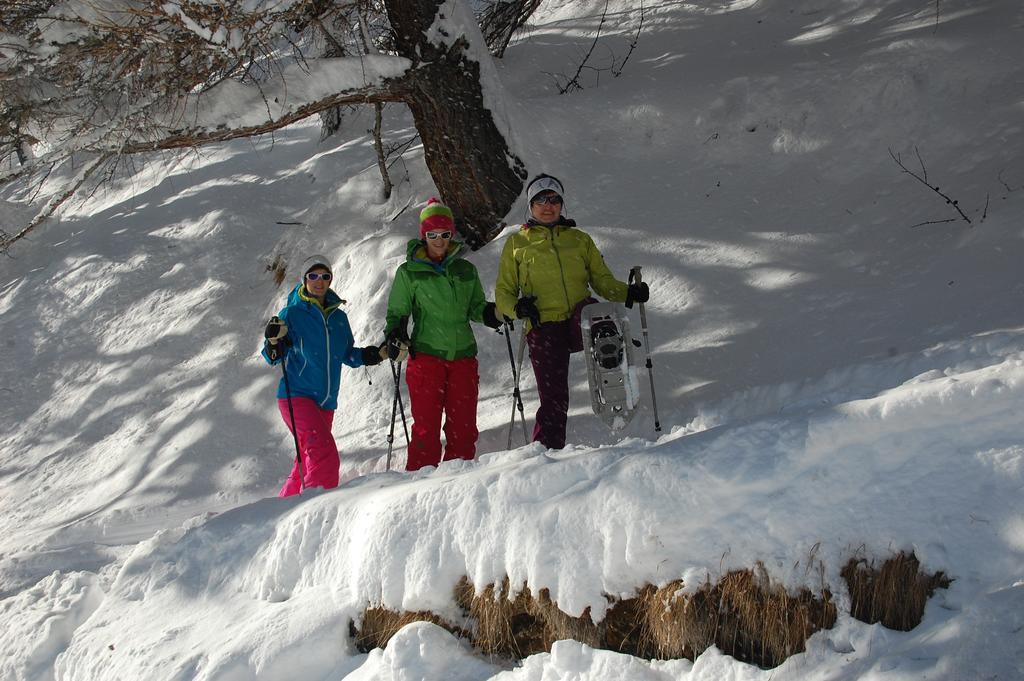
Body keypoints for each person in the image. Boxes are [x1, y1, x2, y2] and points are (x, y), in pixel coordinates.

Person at [494, 174, 650, 449]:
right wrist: (518, 308)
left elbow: (602, 280)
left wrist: (629, 293)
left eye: (554, 199)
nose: (548, 205)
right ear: (530, 205)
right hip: (543, 325)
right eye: (541, 199)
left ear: (561, 204)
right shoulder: (517, 244)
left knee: (599, 315)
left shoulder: (579, 240)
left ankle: (615, 384)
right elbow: (503, 293)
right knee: (554, 397)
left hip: (581, 320)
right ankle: (548, 450)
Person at [383, 198, 503, 471]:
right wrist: (395, 333)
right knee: (426, 432)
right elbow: (397, 312)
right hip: (426, 358)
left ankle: (456, 488)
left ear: (452, 235)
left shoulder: (465, 270)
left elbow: (476, 308)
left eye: (445, 234)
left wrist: (494, 314)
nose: (439, 240)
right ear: (424, 235)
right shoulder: (409, 272)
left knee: (463, 430)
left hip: (463, 359)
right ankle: (420, 487)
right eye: (432, 234)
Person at [263, 254, 384, 497]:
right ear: (305, 279)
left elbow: (348, 354)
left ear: (331, 279)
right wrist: (274, 339)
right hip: (296, 395)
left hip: (325, 402)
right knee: (324, 456)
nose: (319, 281)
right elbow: (272, 355)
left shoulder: (339, 317)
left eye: (325, 276)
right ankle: (318, 506)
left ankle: (281, 508)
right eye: (313, 276)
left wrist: (374, 355)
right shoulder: (292, 313)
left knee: (308, 460)